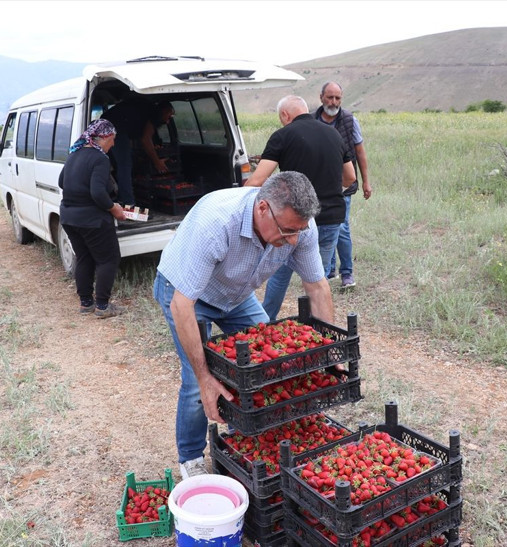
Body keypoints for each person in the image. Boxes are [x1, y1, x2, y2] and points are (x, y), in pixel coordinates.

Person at [153, 171, 334, 479]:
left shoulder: (300, 228)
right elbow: (183, 303)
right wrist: (204, 377)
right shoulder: (217, 223)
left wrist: (328, 353)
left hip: (235, 294)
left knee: (268, 368)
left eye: (298, 231)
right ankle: (191, 458)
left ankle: (251, 435)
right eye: (287, 230)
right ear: (262, 208)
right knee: (199, 382)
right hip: (185, 292)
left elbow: (317, 287)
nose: (292, 239)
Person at [244, 95, 356, 321]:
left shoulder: (282, 136)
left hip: (294, 221)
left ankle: (266, 322)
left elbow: (257, 181)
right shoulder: (333, 134)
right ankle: (318, 329)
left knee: (279, 274)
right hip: (332, 216)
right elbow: (351, 177)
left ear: (285, 115)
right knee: (317, 278)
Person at [59, 119, 128, 319]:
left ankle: (86, 303)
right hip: (92, 219)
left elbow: (61, 181)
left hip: (69, 217)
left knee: (84, 257)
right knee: (108, 258)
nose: (113, 144)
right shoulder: (100, 159)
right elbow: (98, 193)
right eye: (112, 140)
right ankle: (103, 306)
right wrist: (114, 208)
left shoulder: (75, 153)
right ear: (104, 137)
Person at [314, 81, 373, 289]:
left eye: (337, 98)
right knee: (323, 227)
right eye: (330, 97)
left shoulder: (349, 121)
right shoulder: (312, 120)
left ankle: (346, 273)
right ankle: (329, 271)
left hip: (343, 185)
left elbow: (360, 152)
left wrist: (365, 181)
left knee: (341, 227)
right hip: (318, 187)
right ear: (321, 97)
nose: (334, 102)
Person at [100, 98, 175, 206]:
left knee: (121, 163)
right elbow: (145, 139)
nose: (168, 121)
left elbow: (148, 137)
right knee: (125, 165)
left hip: (110, 124)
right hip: (114, 126)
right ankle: (127, 202)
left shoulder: (147, 110)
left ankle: (117, 195)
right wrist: (157, 162)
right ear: (163, 111)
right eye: (169, 116)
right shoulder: (154, 112)